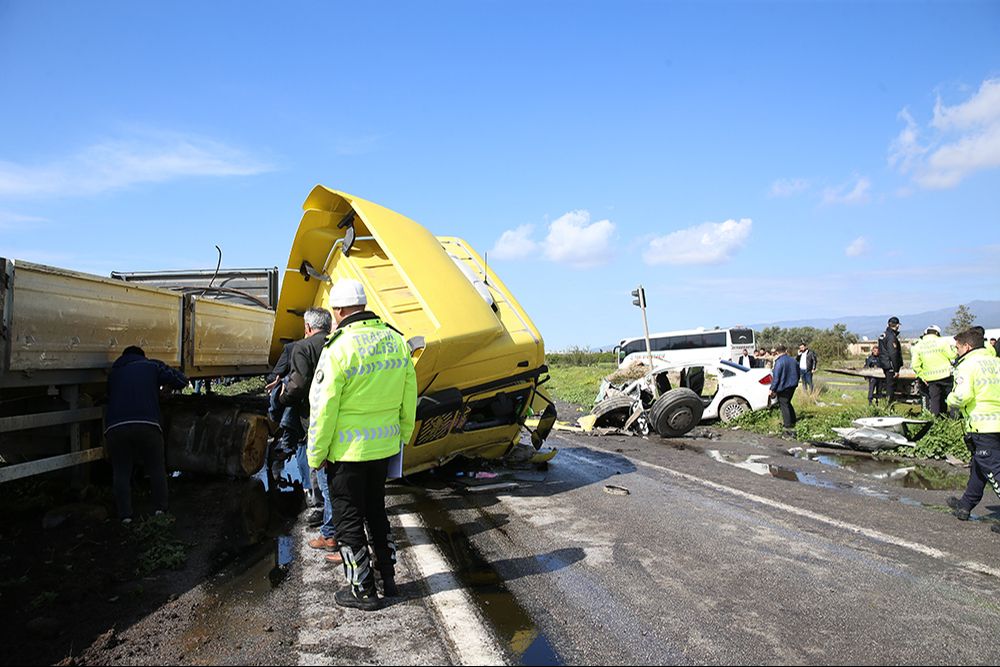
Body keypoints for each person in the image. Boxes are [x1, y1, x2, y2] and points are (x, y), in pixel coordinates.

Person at [308, 279, 417, 611]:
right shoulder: (395, 341)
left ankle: (362, 590)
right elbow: (408, 396)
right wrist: (402, 435)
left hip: (347, 454)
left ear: (338, 311)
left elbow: (323, 407)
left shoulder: (337, 348)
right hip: (382, 451)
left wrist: (317, 454)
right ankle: (389, 580)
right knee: (377, 513)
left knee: (349, 520)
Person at [275, 308, 339, 556]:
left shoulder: (303, 347)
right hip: (340, 417)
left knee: (323, 476)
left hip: (313, 417)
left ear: (308, 327)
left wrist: (283, 397)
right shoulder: (338, 342)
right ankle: (334, 527)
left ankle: (330, 533)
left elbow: (298, 384)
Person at [104, 346, 188, 523]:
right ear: (142, 356)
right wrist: (163, 389)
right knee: (156, 468)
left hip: (116, 427)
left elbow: (110, 395)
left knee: (121, 471)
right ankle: (160, 511)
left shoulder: (114, 372)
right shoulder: (151, 366)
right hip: (147, 425)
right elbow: (181, 380)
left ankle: (125, 516)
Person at [944, 329, 1000, 529]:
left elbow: (962, 395)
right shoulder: (995, 361)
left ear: (967, 347)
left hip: (983, 424)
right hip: (997, 422)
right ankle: (966, 504)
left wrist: (949, 400)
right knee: (979, 465)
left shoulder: (968, 365)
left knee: (992, 468)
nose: (956, 352)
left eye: (957, 348)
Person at [909, 325, 956, 416]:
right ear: (937, 333)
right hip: (946, 375)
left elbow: (915, 365)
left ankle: (935, 420)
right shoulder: (942, 341)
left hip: (930, 377)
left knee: (935, 400)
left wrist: (922, 376)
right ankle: (953, 418)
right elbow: (952, 355)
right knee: (951, 397)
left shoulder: (918, 345)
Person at [769, 344, 800, 434]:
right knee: (787, 402)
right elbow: (798, 373)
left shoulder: (779, 362)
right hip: (792, 385)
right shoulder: (793, 360)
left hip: (783, 386)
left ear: (777, 352)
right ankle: (793, 419)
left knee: (783, 404)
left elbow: (776, 377)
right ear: (785, 351)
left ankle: (787, 425)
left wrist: (772, 389)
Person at [877, 316, 904, 404]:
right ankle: (889, 407)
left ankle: (887, 405)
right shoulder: (891, 337)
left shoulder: (883, 335)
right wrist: (896, 369)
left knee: (888, 386)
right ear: (896, 325)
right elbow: (893, 353)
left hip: (884, 364)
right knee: (890, 388)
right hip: (890, 366)